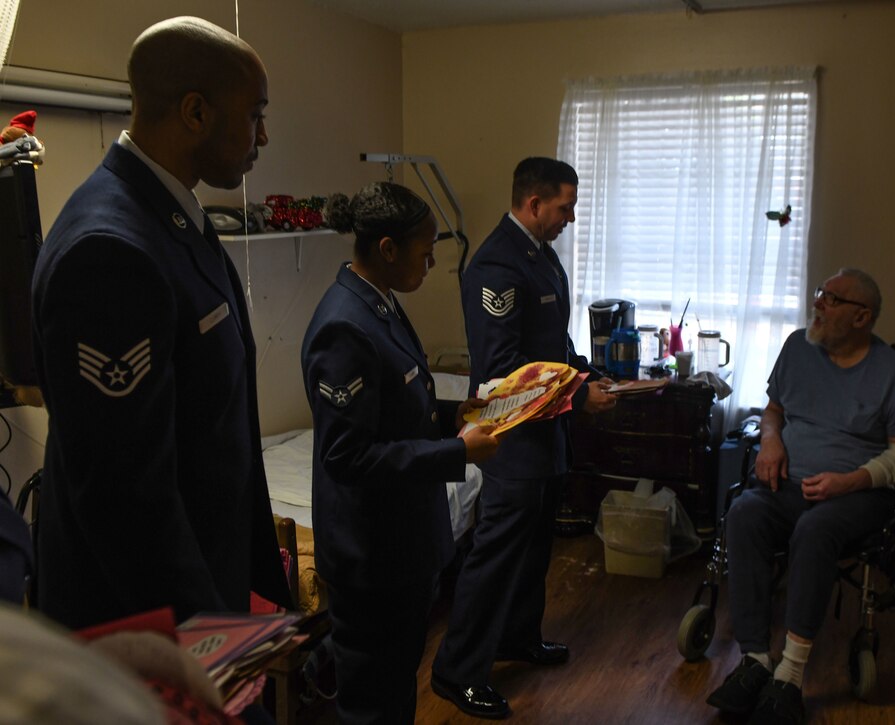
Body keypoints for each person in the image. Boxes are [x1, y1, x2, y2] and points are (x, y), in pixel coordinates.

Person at [31, 17, 289, 629]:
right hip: (145, 624)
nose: (265, 135)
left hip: (203, 578)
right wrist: (211, 638)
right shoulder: (111, 249)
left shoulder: (172, 215)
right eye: (255, 114)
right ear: (196, 112)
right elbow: (127, 498)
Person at [301, 183, 502, 724]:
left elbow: (403, 404)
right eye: (425, 249)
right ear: (388, 249)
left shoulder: (381, 301)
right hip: (373, 558)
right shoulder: (345, 325)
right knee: (372, 706)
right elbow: (347, 457)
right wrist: (456, 453)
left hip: (406, 547)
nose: (433, 261)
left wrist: (458, 413)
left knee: (394, 695)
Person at [431, 157, 617, 719]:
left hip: (548, 435)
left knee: (535, 549)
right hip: (513, 440)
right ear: (534, 203)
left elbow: (553, 345)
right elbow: (505, 370)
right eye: (565, 207)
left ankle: (518, 638)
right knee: (494, 556)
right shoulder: (495, 266)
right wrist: (579, 397)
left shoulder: (541, 257)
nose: (571, 217)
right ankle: (455, 672)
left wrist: (585, 374)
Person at [706, 268, 895, 724]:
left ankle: (790, 672)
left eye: (831, 298)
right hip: (787, 483)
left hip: (857, 495)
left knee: (815, 527)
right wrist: (770, 440)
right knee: (744, 513)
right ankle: (755, 660)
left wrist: (851, 481)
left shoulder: (894, 373)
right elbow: (773, 411)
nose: (818, 303)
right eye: (820, 293)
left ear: (861, 316)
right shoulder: (796, 347)